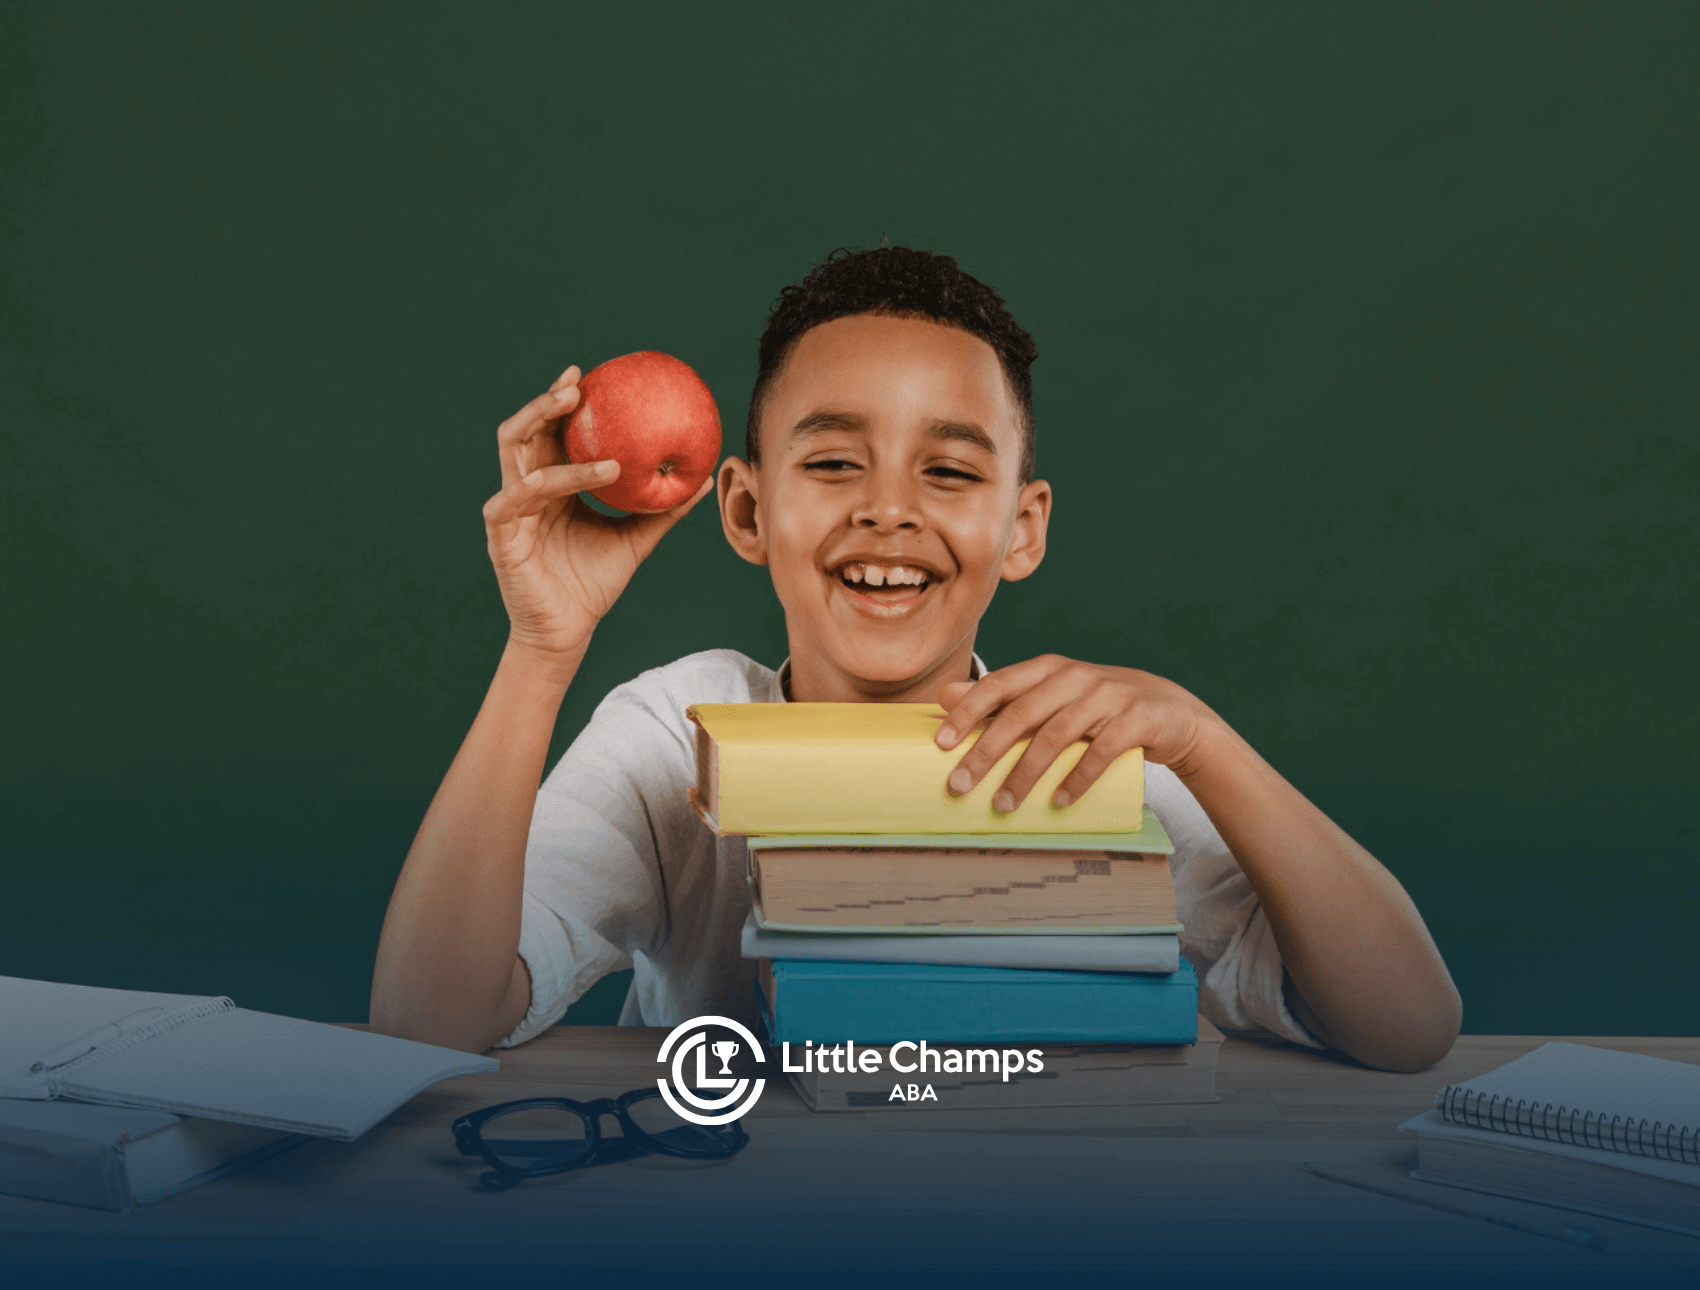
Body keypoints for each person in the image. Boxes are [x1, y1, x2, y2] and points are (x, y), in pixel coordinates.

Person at [369, 247, 1461, 1073]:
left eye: (949, 473)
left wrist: (1208, 744)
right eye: (835, 460)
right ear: (745, 508)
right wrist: (541, 648)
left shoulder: (1074, 752)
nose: (887, 510)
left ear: (1022, 528)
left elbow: (1407, 1027)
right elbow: (429, 1023)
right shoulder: (675, 733)